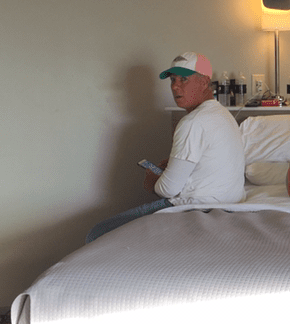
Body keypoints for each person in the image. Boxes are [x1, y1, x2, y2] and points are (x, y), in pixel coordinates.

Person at [86, 52, 245, 242]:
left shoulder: (192, 122)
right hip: (229, 206)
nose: (175, 86)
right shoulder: (224, 115)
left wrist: (152, 182)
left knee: (97, 233)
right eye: (172, 80)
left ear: (204, 82)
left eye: (184, 79)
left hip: (197, 208)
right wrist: (173, 166)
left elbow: (168, 190)